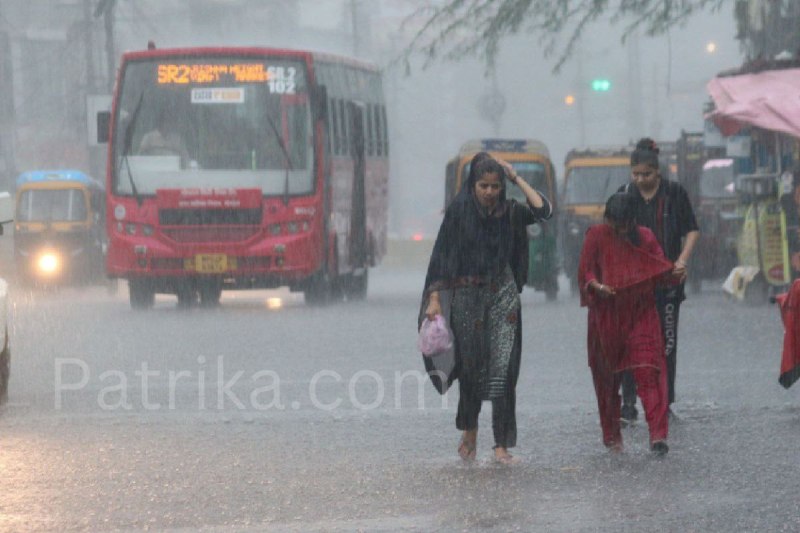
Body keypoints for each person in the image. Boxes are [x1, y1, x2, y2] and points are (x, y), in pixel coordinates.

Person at [419, 153, 552, 464]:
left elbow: (543, 211)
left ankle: (501, 445)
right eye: (483, 186)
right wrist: (435, 299)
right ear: (473, 185)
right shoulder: (459, 213)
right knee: (471, 370)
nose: (490, 192)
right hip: (467, 298)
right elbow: (441, 258)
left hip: (503, 297)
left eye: (495, 186)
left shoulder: (511, 212)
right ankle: (470, 429)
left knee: (504, 371)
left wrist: (516, 178)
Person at [578, 193, 676, 455]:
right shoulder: (596, 235)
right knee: (607, 381)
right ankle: (612, 438)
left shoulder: (645, 238)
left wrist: (673, 272)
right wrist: (597, 286)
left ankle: (658, 435)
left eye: (621, 225)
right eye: (613, 224)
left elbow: (660, 267)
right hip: (605, 317)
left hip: (640, 313)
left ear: (632, 222)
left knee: (648, 371)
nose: (617, 231)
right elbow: (586, 271)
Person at [618, 138, 699, 423]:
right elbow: (611, 235)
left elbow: (691, 230)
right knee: (630, 342)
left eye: (646, 175)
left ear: (658, 172)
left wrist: (682, 260)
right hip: (632, 285)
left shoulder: (675, 194)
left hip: (668, 281)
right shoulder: (624, 195)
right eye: (636, 174)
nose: (641, 180)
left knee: (666, 342)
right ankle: (628, 401)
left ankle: (664, 400)